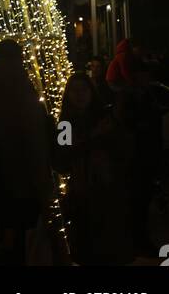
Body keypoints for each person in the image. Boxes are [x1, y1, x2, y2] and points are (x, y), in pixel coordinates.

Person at [0, 40, 53, 264]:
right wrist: (43, 185)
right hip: (21, 182)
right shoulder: (23, 88)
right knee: (19, 240)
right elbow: (34, 141)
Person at [55, 73, 133, 265]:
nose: (79, 95)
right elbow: (63, 159)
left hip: (108, 191)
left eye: (84, 89)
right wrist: (91, 139)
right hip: (81, 195)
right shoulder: (65, 124)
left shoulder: (104, 119)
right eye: (74, 90)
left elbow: (121, 152)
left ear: (91, 92)